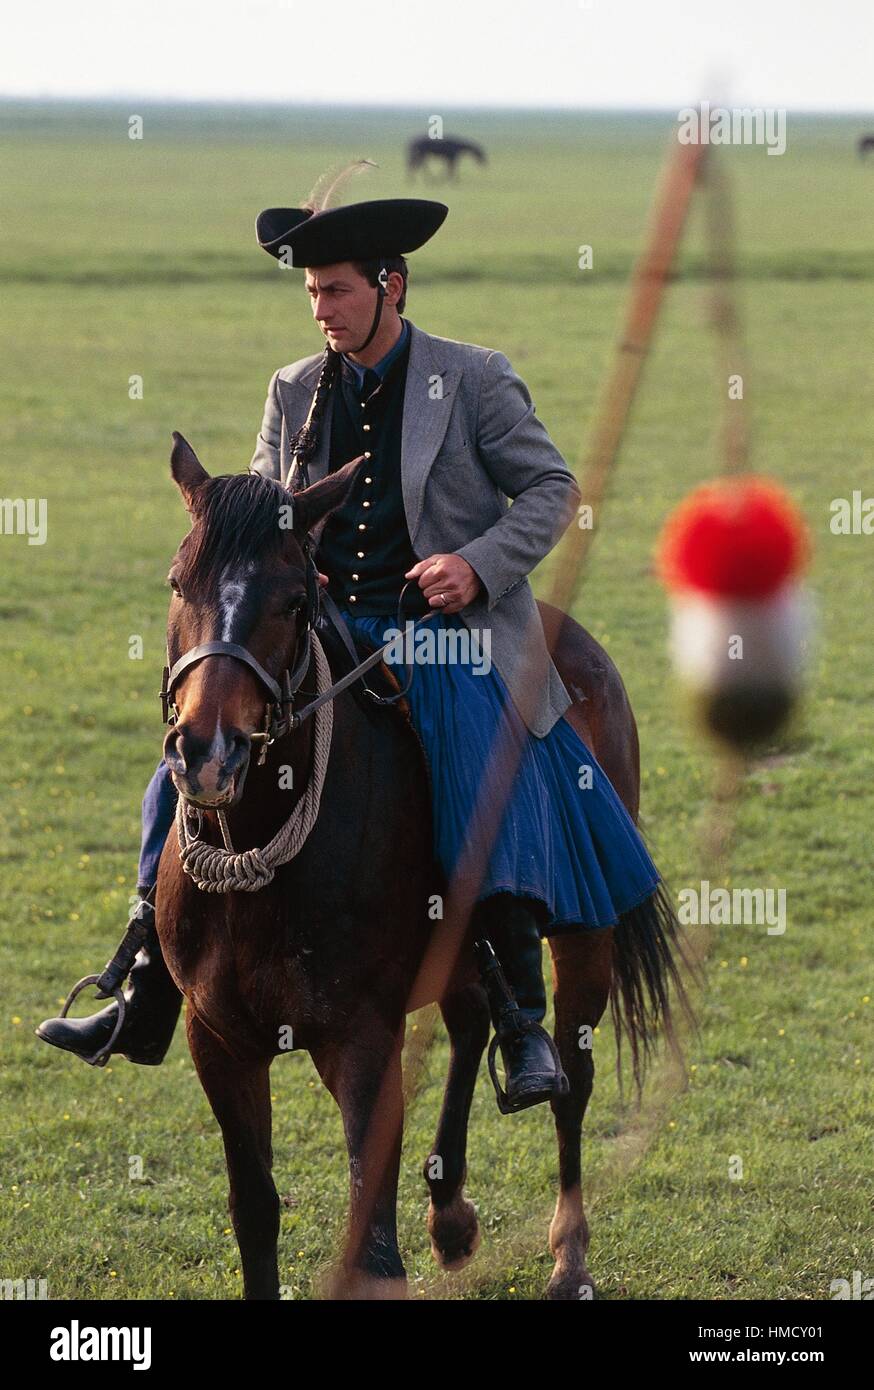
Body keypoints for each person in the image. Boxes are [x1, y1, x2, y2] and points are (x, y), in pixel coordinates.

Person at [38, 189, 660, 1112]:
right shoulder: (292, 389)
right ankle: (143, 981)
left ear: (390, 285)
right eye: (312, 295)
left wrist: (475, 566)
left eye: (335, 289)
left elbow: (551, 490)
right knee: (188, 758)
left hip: (441, 634)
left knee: (478, 762)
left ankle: (520, 1018)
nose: (322, 308)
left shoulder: (475, 377)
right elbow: (259, 517)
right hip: (319, 629)